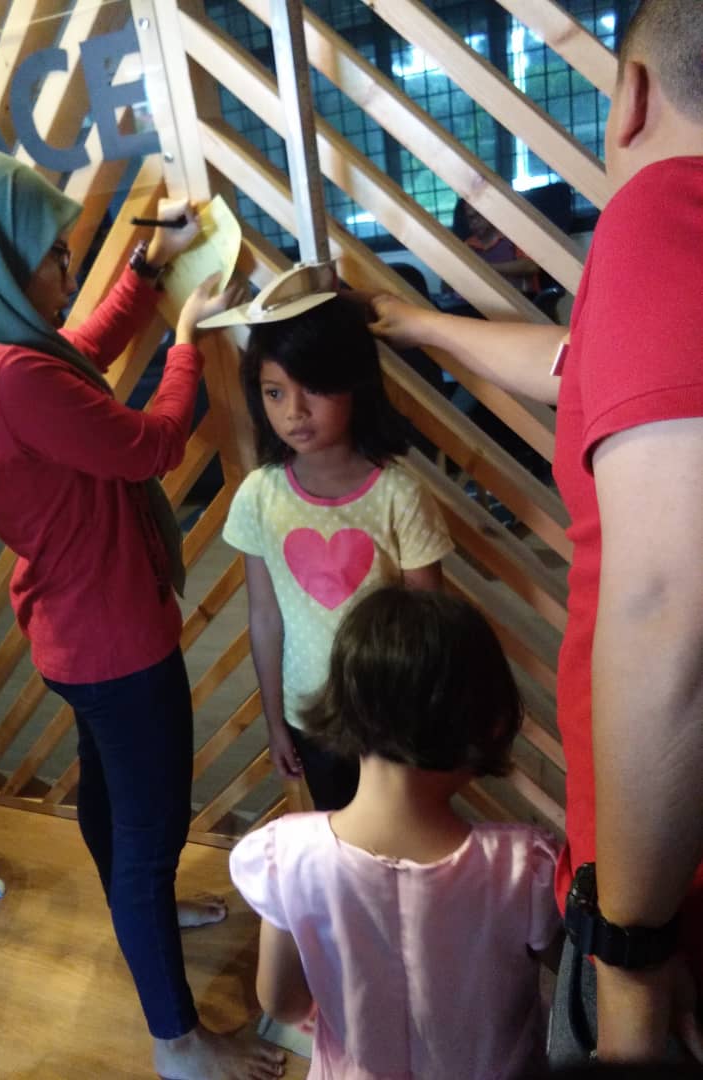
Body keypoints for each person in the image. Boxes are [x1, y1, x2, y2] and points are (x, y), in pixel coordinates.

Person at [0, 149, 285, 1080]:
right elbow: (148, 445)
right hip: (115, 638)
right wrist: (186, 338)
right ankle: (178, 1043)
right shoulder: (9, 376)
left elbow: (86, 348)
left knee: (111, 799)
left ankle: (135, 910)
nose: (67, 268)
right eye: (53, 252)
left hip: (72, 629)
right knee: (151, 832)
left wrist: (149, 269)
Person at [368, 0, 703, 1064]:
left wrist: (632, 957)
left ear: (631, 96)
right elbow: (584, 368)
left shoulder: (668, 205)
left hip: (669, 902)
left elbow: (671, 615)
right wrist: (418, 323)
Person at [229, 584, 562, 1078]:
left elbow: (283, 1001)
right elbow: (580, 982)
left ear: (343, 707)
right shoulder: (524, 870)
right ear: (490, 725)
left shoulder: (288, 857)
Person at [222, 294, 453, 810]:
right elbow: (265, 618)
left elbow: (427, 628)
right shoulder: (258, 496)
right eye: (275, 392)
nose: (294, 412)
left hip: (391, 715)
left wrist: (421, 717)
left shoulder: (399, 494)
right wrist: (275, 722)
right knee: (338, 837)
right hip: (309, 717)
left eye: (315, 387)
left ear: (355, 383)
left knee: (399, 834)